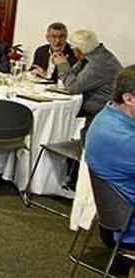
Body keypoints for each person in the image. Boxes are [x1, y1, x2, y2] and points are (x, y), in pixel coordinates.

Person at [85, 66, 135, 247]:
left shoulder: (110, 115)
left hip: (117, 218)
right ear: (128, 98)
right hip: (127, 228)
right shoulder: (121, 138)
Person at [56, 29, 123, 122]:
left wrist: (62, 65)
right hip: (100, 104)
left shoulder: (98, 63)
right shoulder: (97, 54)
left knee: (59, 114)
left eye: (72, 48)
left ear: (78, 50)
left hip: (101, 108)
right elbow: (73, 75)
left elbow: (73, 87)